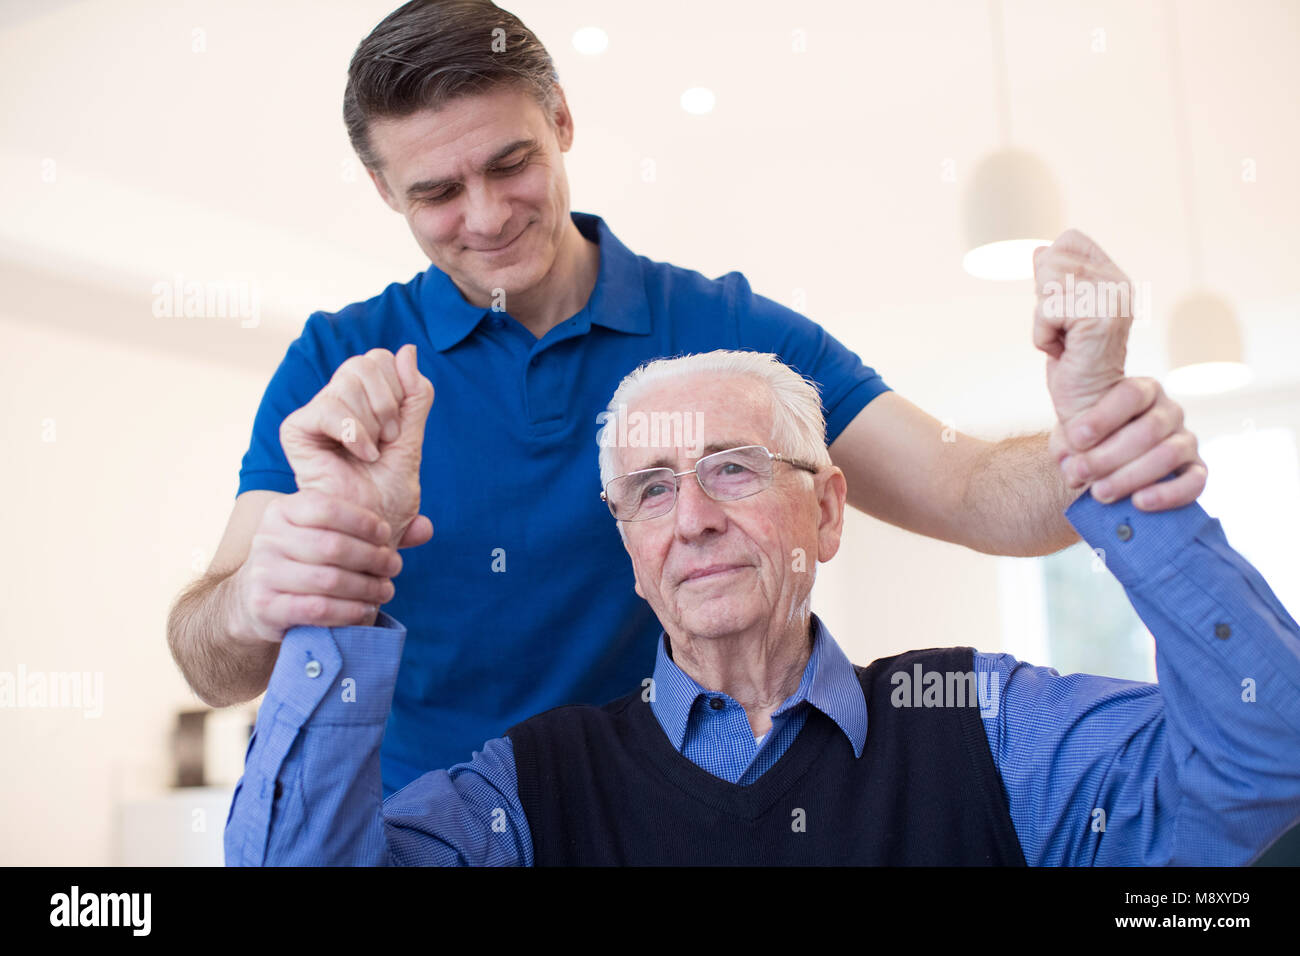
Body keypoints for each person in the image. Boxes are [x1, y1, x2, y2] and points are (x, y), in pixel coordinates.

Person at [170, 0, 1206, 797]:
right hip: (418, 835)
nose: (484, 216)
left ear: (563, 122)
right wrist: (267, 587)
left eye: (510, 163)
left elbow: (970, 489)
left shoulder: (725, 332)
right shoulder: (338, 361)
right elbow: (210, 655)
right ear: (384, 191)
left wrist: (1093, 429)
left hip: (648, 815)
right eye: (437, 192)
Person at [223, 339, 1300, 865]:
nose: (689, 515)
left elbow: (1268, 755)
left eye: (733, 468)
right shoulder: (532, 788)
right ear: (634, 554)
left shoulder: (980, 720)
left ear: (827, 511)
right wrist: (344, 564)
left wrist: (1121, 484)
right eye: (650, 489)